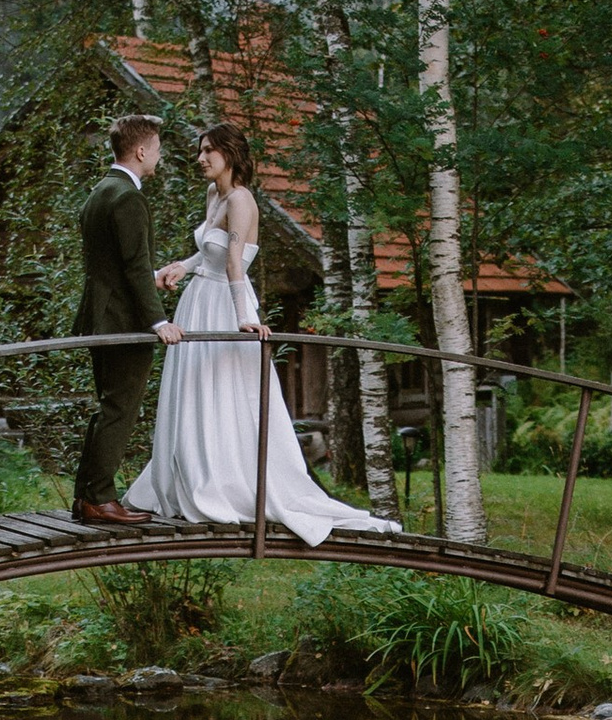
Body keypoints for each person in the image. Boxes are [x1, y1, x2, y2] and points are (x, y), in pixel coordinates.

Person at [131, 124, 398, 546]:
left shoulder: (241, 201)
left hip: (224, 304)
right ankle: (192, 472)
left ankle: (227, 481)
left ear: (231, 155)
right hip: (199, 299)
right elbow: (209, 250)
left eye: (209, 152)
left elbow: (235, 262)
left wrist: (243, 318)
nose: (201, 159)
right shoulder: (214, 195)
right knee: (196, 389)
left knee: (227, 391)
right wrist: (182, 266)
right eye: (200, 151)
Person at [71, 117, 168, 525]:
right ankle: (100, 498)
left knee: (108, 406)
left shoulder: (99, 192)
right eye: (158, 148)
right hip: (123, 323)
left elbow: (117, 267)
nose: (160, 156)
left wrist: (152, 279)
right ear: (141, 151)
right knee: (120, 409)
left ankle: (86, 497)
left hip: (101, 316)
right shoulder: (128, 197)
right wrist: (159, 321)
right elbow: (132, 265)